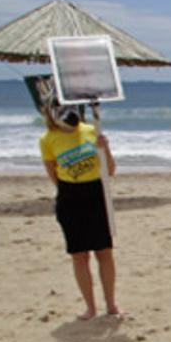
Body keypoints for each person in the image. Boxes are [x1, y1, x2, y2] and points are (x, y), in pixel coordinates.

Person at [38, 96, 119, 319]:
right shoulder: (48, 140)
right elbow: (53, 174)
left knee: (104, 252)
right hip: (70, 196)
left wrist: (106, 149)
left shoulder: (90, 131)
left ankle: (111, 305)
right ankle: (90, 307)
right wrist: (70, 190)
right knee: (79, 255)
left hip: (95, 193)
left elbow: (110, 171)